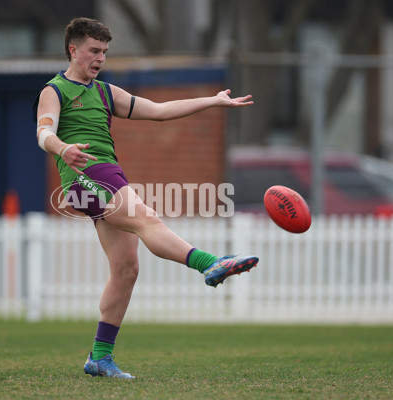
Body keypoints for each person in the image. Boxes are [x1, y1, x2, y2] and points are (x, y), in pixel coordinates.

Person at [34, 17, 259, 379]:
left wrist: (214, 101)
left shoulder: (106, 92)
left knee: (126, 269)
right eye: (94, 51)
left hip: (109, 175)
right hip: (82, 177)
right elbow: (43, 131)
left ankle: (99, 358)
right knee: (147, 219)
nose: (100, 59)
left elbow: (158, 111)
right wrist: (63, 149)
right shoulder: (55, 90)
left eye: (105, 52)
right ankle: (209, 263)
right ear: (73, 50)